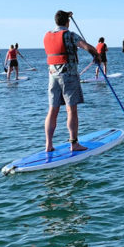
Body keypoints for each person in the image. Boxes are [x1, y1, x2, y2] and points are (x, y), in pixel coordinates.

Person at [43, 10, 100, 152]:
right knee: (71, 110)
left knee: (53, 110)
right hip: (69, 76)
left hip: (52, 76)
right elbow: (86, 46)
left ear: (56, 21)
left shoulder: (47, 36)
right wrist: (96, 55)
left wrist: (65, 14)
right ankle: (74, 144)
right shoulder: (70, 35)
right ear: (67, 22)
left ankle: (48, 145)